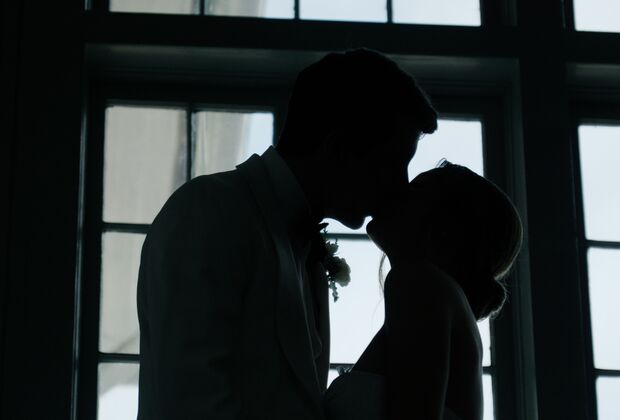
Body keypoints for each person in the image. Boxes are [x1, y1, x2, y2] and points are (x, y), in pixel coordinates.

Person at [136, 48, 437, 419]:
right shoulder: (209, 210)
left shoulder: (306, 251)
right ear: (338, 150)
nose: (401, 186)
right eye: (393, 164)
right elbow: (190, 403)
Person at [324, 161, 523, 420]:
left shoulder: (420, 283)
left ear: (445, 228)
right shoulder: (438, 296)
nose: (395, 192)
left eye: (414, 190)